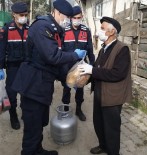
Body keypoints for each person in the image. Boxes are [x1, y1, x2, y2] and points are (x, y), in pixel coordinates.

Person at [11, 0, 86, 155]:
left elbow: (53, 63)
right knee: (32, 128)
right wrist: (74, 55)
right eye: (65, 17)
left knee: (40, 123)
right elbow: (52, 56)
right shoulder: (41, 27)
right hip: (33, 86)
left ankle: (38, 150)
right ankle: (30, 151)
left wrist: (69, 77)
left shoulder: (55, 30)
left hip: (42, 85)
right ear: (56, 12)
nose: (67, 21)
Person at [78, 17, 132, 155]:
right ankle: (103, 146)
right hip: (99, 93)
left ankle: (113, 152)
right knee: (99, 123)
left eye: (102, 28)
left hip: (112, 97)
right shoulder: (103, 49)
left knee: (111, 128)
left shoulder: (122, 49)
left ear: (112, 31)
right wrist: (84, 79)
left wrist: (92, 70)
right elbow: (97, 70)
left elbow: (117, 74)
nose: (99, 31)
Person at [61, 6, 95, 121]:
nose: (77, 19)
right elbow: (60, 49)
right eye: (74, 17)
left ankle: (78, 109)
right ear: (70, 18)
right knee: (66, 88)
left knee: (80, 88)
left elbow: (90, 49)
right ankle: (65, 110)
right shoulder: (64, 31)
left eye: (79, 17)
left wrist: (92, 64)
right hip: (67, 65)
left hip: (81, 66)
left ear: (82, 17)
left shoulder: (86, 31)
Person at [0, 2, 29, 130]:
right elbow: (1, 49)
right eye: (21, 15)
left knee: (25, 92)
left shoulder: (29, 29)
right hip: (12, 67)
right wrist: (0, 67)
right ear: (14, 15)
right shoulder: (6, 29)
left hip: (26, 66)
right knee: (12, 93)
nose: (24, 17)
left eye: (25, 15)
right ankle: (13, 115)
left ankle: (24, 112)